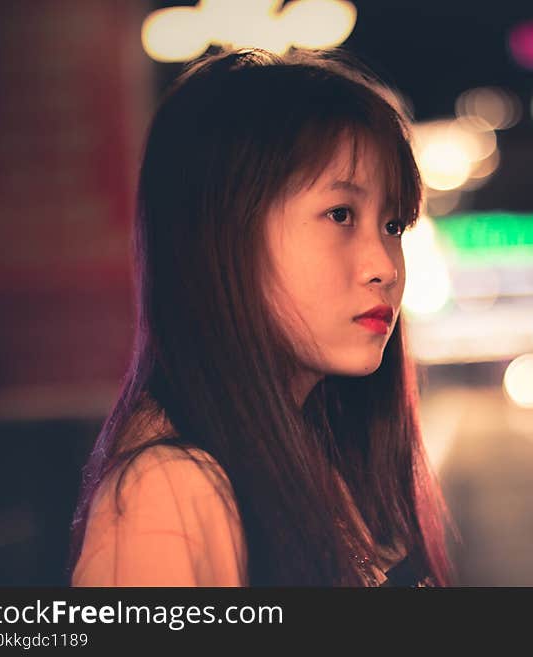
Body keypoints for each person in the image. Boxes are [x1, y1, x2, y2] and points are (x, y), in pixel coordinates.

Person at [67, 47, 454, 586]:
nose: (384, 267)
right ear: (223, 237)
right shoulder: (169, 492)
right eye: (340, 214)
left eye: (393, 226)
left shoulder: (314, 455)